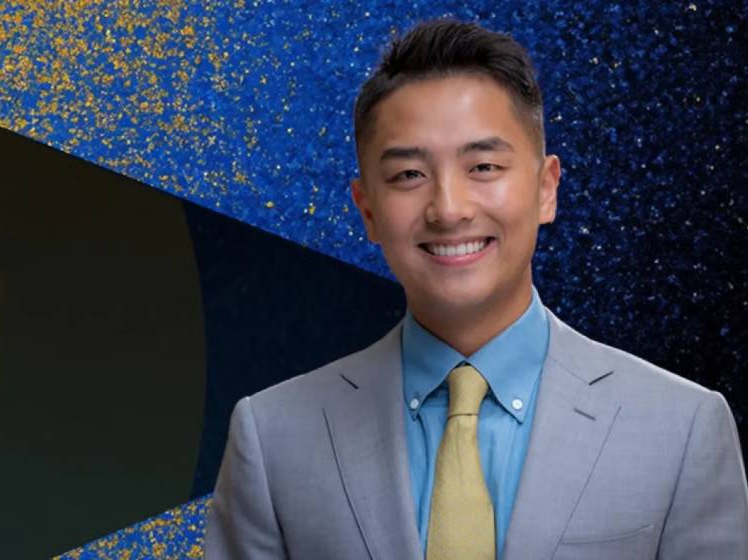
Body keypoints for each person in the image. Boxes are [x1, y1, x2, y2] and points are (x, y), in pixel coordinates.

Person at [204, 18, 748, 560]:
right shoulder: (274, 437)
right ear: (367, 209)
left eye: (483, 166)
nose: (449, 209)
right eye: (409, 175)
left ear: (545, 188)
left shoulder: (682, 428)